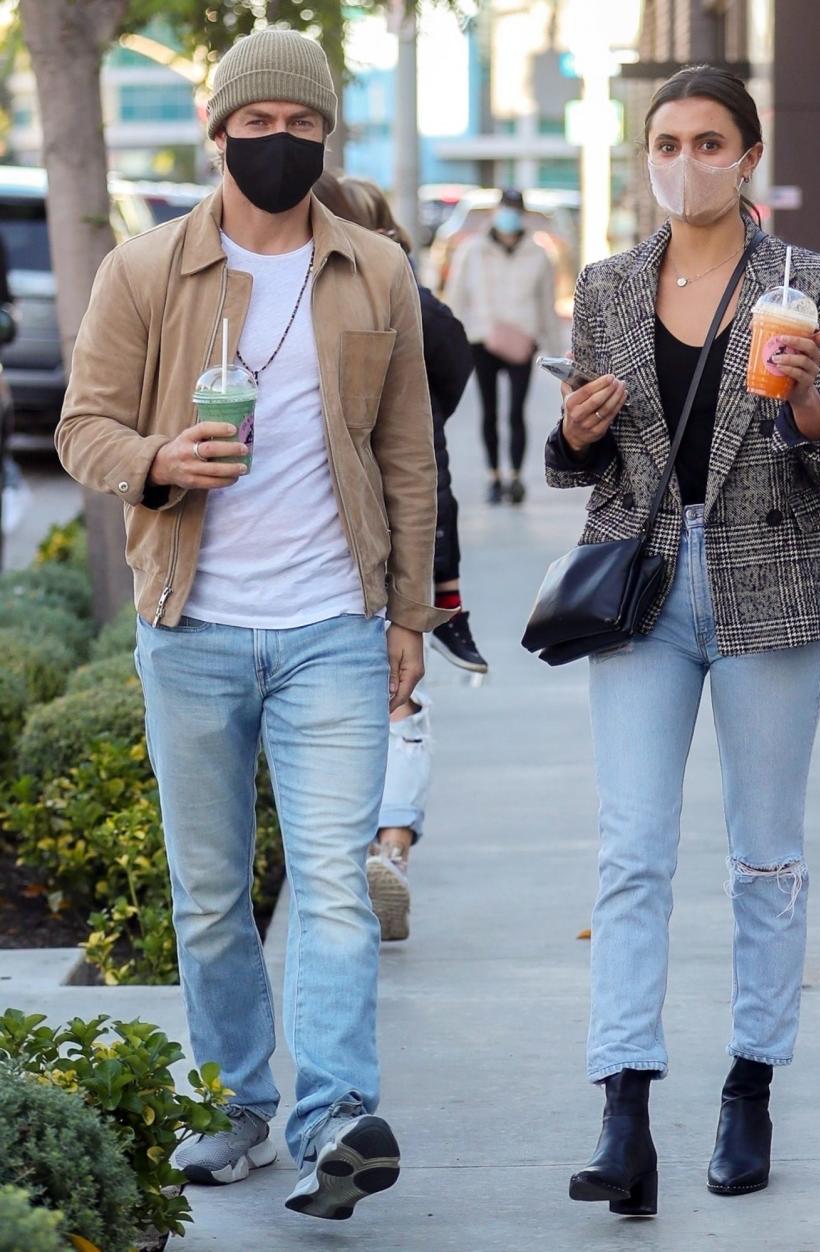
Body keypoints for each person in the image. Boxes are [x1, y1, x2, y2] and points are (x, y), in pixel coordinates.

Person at [56, 28, 448, 1223]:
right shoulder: (144, 270)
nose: (280, 144)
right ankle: (236, 1109)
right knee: (212, 891)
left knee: (333, 883)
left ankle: (334, 1120)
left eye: (303, 125)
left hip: (333, 620)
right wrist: (161, 461)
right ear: (219, 131)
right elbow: (84, 427)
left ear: (329, 135)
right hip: (194, 626)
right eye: (258, 124)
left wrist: (409, 613)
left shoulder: (376, 268)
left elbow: (407, 454)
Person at [547, 65, 820, 1216]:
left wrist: (809, 404)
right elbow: (584, 461)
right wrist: (575, 431)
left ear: (748, 151)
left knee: (765, 855)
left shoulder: (807, 280)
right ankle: (623, 1106)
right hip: (645, 591)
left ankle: (750, 1082)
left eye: (707, 140)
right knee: (632, 849)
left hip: (771, 583)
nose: (684, 160)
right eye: (667, 141)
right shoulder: (608, 285)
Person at [331, 174, 482, 941]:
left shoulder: (354, 293)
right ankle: (391, 847)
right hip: (414, 522)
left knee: (344, 701)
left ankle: (357, 849)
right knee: (399, 701)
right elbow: (450, 390)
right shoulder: (422, 305)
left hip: (353, 527)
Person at [445, 189, 562, 504]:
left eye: (514, 210)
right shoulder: (472, 250)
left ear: (522, 214)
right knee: (489, 411)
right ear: (496, 212)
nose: (508, 216)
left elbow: (546, 304)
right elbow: (457, 296)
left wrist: (556, 351)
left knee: (516, 412)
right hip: (482, 337)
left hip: (523, 339)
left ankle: (516, 477)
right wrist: (452, 340)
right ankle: (494, 475)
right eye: (504, 209)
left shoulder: (538, 254)